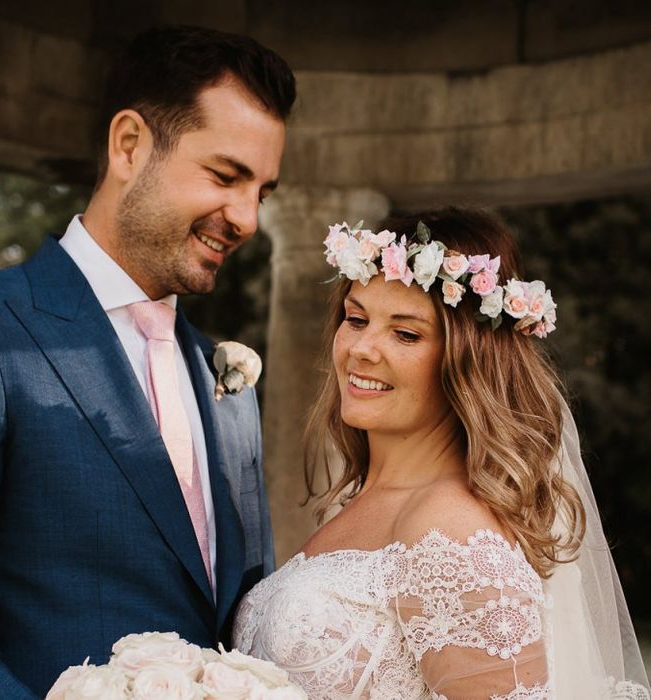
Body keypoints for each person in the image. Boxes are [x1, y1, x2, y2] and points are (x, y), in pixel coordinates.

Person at [0, 25, 295, 698]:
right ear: (129, 145)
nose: (247, 217)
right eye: (226, 176)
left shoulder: (229, 380)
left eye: (264, 192)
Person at [233, 209, 650, 699]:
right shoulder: (365, 501)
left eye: (406, 333)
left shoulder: (450, 530)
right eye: (356, 319)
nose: (362, 348)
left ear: (468, 361)